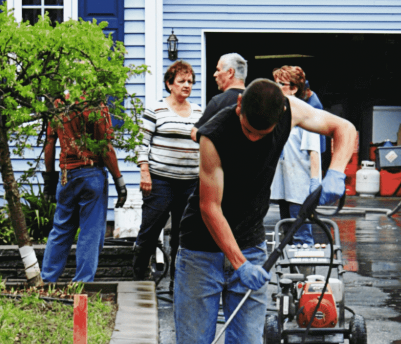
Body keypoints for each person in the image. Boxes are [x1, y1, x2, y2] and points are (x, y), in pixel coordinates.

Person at [172, 79, 356, 344]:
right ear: (239, 109)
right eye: (249, 130)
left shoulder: (288, 110)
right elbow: (209, 208)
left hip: (252, 245)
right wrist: (239, 264)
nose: (255, 138)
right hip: (201, 251)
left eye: (263, 133)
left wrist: (336, 172)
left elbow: (345, 129)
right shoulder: (214, 135)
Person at [42, 97, 127, 283]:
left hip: (66, 174)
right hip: (91, 173)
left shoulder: (58, 105)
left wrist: (49, 179)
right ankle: (82, 284)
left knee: (61, 229)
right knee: (91, 231)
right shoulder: (95, 105)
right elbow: (105, 146)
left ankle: (47, 280)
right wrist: (119, 180)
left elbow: (49, 143)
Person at [133, 60, 202, 281]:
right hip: (161, 182)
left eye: (190, 81)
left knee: (183, 237)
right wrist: (145, 172)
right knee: (150, 231)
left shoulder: (199, 112)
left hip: (190, 183)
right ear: (169, 84)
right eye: (182, 81)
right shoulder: (156, 109)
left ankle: (177, 283)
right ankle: (139, 280)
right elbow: (141, 142)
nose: (187, 85)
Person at [270, 65, 321, 246]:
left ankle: (306, 272)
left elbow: (314, 152)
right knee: (288, 235)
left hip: (300, 187)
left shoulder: (306, 113)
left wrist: (315, 184)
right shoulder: (279, 113)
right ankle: (291, 274)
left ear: (293, 88)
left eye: (281, 84)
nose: (276, 88)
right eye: (275, 83)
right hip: (284, 186)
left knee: (301, 236)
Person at [191, 53, 248, 141]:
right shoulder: (256, 101)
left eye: (218, 70)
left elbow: (195, 134)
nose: (215, 74)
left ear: (230, 72)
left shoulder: (217, 102)